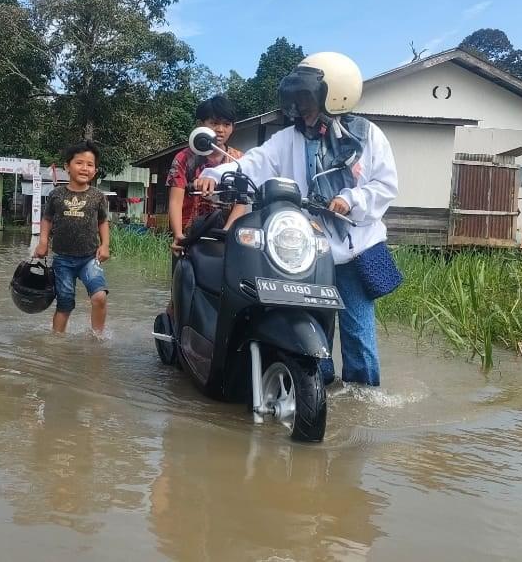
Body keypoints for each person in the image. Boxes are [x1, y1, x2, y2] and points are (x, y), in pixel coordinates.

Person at [194, 52, 399, 387]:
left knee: (358, 338)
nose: (299, 105)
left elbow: (386, 185)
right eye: (297, 96)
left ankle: (362, 412)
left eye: (306, 96)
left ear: (334, 94)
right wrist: (216, 174)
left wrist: (350, 200)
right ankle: (314, 389)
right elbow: (254, 163)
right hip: (307, 249)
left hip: (354, 251)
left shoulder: (367, 135)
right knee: (308, 327)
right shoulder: (290, 138)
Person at [33, 140, 110, 336]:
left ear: (95, 170)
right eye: (79, 163)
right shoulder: (56, 195)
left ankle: (98, 338)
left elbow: (102, 222)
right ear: (67, 166)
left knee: (100, 296)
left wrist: (105, 245)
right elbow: (47, 220)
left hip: (89, 258)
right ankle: (57, 340)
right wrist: (43, 243)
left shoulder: (97, 196)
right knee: (65, 302)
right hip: (62, 259)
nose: (84, 168)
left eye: (90, 164)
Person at [166, 95, 243, 257]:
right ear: (201, 125)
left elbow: (241, 202)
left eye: (226, 124)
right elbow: (175, 200)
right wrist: (178, 235)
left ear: (233, 127)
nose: (221, 129)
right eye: (214, 123)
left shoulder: (240, 160)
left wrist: (226, 233)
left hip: (226, 237)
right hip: (189, 235)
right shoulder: (184, 158)